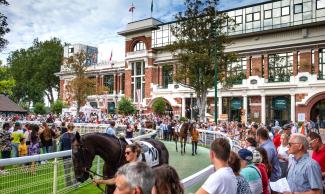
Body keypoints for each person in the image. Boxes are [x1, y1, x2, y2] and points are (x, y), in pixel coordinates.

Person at [60, 123, 76, 187]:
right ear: (73, 128)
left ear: (67, 127)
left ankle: (68, 184)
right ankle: (75, 184)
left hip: (65, 156)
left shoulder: (63, 135)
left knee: (67, 171)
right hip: (74, 156)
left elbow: (61, 146)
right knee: (74, 171)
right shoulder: (75, 136)